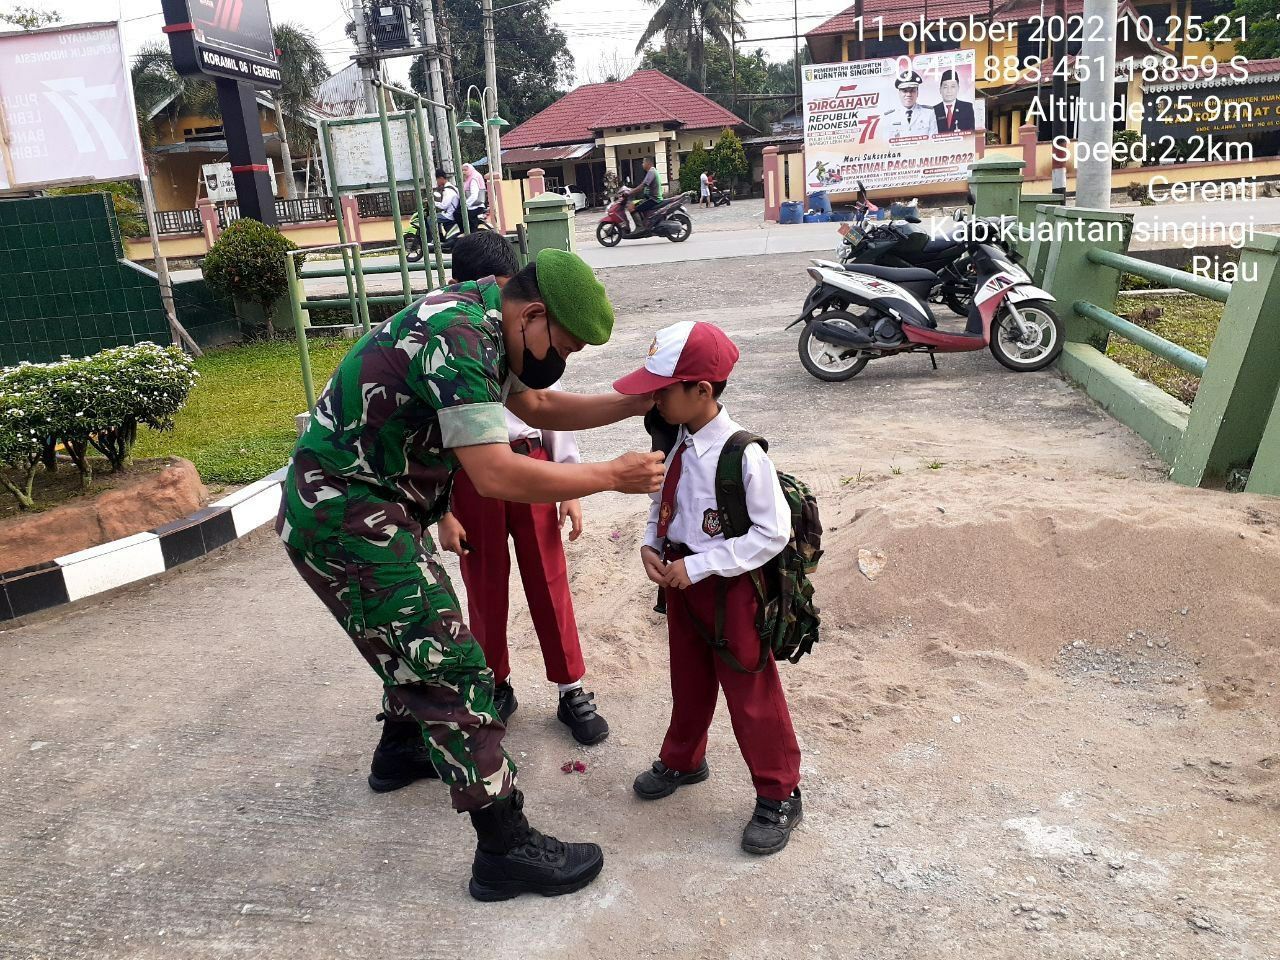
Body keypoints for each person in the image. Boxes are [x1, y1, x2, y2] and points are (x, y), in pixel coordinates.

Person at [277, 247, 664, 901]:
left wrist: (628, 407)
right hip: (346, 517)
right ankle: (505, 848)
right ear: (535, 313)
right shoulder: (460, 338)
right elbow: (496, 472)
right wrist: (607, 477)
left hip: (372, 510)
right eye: (562, 345)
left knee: (421, 632)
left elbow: (536, 408)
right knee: (455, 667)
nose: (559, 360)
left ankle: (401, 750)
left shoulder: (490, 310)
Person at [613, 320, 804, 856]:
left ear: (701, 391)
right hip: (681, 586)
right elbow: (661, 505)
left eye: (663, 389)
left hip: (732, 592)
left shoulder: (744, 455)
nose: (654, 399)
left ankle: (780, 791)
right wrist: (652, 544)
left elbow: (773, 532)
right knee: (689, 678)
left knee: (751, 691)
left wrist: (699, 568)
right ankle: (683, 757)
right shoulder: (676, 444)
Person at [436, 231, 608, 746]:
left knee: (549, 578)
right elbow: (437, 437)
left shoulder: (524, 330)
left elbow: (544, 406)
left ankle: (570, 686)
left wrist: (570, 483)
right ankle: (496, 682)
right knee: (483, 585)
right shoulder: (456, 337)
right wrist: (443, 510)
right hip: (475, 479)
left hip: (531, 466)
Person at [884, 70, 938, 139]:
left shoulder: (928, 113)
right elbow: (887, 143)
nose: (908, 94)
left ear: (917, 93)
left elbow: (933, 141)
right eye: (904, 91)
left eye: (912, 91)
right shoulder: (890, 116)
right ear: (899, 93)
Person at [932, 69, 976, 134]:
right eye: (945, 87)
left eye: (953, 86)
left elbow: (971, 131)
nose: (949, 90)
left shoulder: (967, 107)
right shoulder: (933, 110)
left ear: (958, 88)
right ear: (940, 90)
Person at [625, 157, 662, 233]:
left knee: (631, 206)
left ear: (648, 163)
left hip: (653, 199)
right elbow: (642, 185)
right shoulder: (652, 171)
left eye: (643, 162)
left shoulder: (651, 172)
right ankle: (644, 224)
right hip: (651, 198)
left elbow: (642, 186)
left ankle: (640, 227)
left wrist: (630, 192)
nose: (642, 164)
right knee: (634, 204)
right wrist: (631, 189)